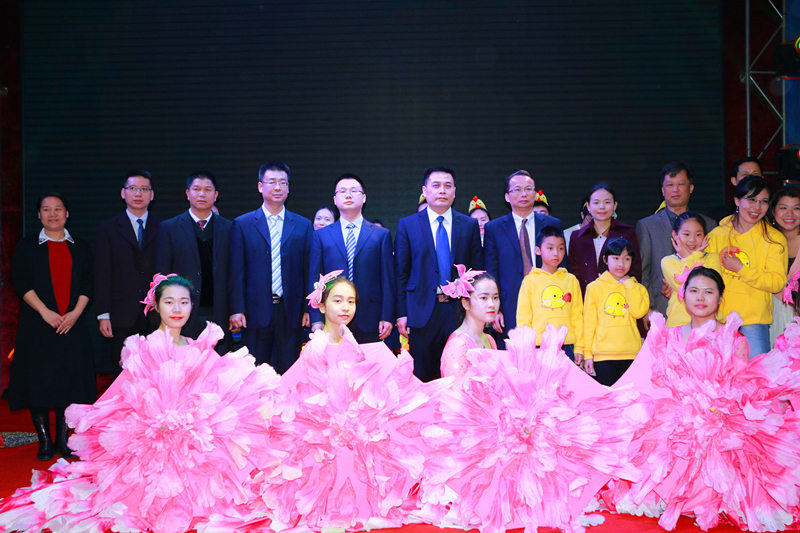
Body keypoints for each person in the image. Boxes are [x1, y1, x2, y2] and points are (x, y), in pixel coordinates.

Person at [8, 193, 95, 460]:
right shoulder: (27, 246)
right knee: (39, 381)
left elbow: (88, 283)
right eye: (47, 209)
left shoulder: (81, 246)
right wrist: (45, 312)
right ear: (39, 214)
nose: (53, 214)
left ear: (67, 213)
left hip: (71, 325)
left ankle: (62, 440)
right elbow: (20, 281)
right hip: (38, 325)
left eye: (58, 209)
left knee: (70, 382)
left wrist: (75, 314)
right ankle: (45, 442)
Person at [395, 166, 483, 382]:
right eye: (436, 185)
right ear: (425, 191)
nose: (442, 190)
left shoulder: (469, 225)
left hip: (459, 312)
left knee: (459, 377)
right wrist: (401, 313)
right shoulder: (408, 225)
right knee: (421, 379)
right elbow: (401, 273)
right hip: (422, 312)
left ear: (454, 191)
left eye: (447, 186)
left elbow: (477, 271)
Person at [229, 162, 313, 371]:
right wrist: (237, 309)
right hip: (254, 312)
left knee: (290, 371)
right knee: (255, 373)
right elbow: (237, 271)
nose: (277, 187)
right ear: (260, 186)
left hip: (291, 312)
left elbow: (308, 270)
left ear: (288, 188)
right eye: (272, 182)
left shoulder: (303, 225)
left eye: (283, 183)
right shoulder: (243, 224)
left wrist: (308, 309)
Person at [706, 175, 787, 357]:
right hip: (718, 321)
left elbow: (777, 282)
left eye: (763, 201)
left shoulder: (773, 238)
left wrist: (741, 269)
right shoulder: (716, 235)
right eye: (751, 199)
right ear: (737, 200)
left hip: (753, 322)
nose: (757, 207)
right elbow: (704, 275)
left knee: (755, 373)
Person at [309, 174, 395, 344]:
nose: (348, 195)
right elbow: (315, 278)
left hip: (370, 317)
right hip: (332, 317)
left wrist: (387, 316)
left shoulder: (380, 235)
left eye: (354, 191)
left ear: (364, 198)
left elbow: (388, 279)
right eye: (342, 191)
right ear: (335, 199)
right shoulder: (321, 236)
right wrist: (316, 318)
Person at [155, 170, 233, 353]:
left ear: (216, 195)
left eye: (207, 189)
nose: (201, 194)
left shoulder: (229, 228)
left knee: (218, 364)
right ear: (187, 193)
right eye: (196, 189)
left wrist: (236, 310)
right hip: (182, 313)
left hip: (219, 312)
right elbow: (162, 276)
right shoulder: (169, 228)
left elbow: (236, 273)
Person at [94, 170, 162, 375]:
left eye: (144, 189)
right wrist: (103, 315)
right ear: (123, 193)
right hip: (121, 313)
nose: (138, 193)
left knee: (155, 373)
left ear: (152, 194)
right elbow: (102, 274)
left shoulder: (164, 227)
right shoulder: (108, 229)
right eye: (133, 188)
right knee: (123, 374)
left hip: (155, 313)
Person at [483, 170, 562, 344]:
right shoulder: (494, 228)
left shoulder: (552, 224)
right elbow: (491, 272)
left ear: (535, 193)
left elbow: (562, 266)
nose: (524, 194)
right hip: (509, 306)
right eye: (517, 189)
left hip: (548, 303)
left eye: (528, 189)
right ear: (507, 196)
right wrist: (496, 309)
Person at [635, 162, 716, 324]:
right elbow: (643, 271)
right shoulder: (647, 225)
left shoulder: (709, 225)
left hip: (703, 310)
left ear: (691, 188)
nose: (675, 190)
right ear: (662, 190)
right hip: (661, 309)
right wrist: (646, 309)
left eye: (681, 184)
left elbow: (713, 270)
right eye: (670, 185)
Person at [582, 237, 649, 386]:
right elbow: (588, 324)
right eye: (616, 258)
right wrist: (587, 355)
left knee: (629, 396)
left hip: (631, 354)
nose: (621, 264)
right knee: (609, 396)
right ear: (605, 260)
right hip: (603, 356)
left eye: (626, 259)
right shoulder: (594, 287)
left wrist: (630, 285)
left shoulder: (637, 288)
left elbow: (639, 312)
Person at [516, 226, 584, 362]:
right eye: (550, 248)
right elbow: (524, 317)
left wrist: (579, 348)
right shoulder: (530, 280)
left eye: (561, 248)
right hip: (539, 344)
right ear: (538, 250)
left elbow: (578, 316)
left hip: (567, 344)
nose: (556, 253)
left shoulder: (571, 280)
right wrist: (526, 347)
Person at [569, 183, 641, 295]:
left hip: (618, 298)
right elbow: (574, 273)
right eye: (596, 202)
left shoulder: (627, 233)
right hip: (586, 297)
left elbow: (634, 269)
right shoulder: (577, 237)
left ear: (615, 205)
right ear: (588, 206)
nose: (601, 207)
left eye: (607, 202)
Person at [660, 212, 721, 328]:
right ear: (675, 235)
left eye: (698, 234)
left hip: (710, 325)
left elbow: (713, 287)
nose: (692, 240)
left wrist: (690, 257)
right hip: (678, 325)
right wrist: (691, 257)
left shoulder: (712, 258)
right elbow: (683, 288)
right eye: (686, 234)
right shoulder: (668, 261)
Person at [439, 267, 499, 378]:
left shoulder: (490, 339)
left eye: (495, 297)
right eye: (484, 298)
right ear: (466, 303)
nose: (492, 304)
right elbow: (455, 387)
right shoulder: (457, 345)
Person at [769, 186, 800, 345]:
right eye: (783, 208)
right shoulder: (764, 240)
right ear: (773, 211)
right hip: (770, 313)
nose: (790, 214)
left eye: (796, 208)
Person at [708, 156, 763, 222]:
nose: (751, 178)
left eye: (755, 174)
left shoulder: (771, 212)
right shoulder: (719, 215)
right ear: (734, 181)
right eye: (745, 174)